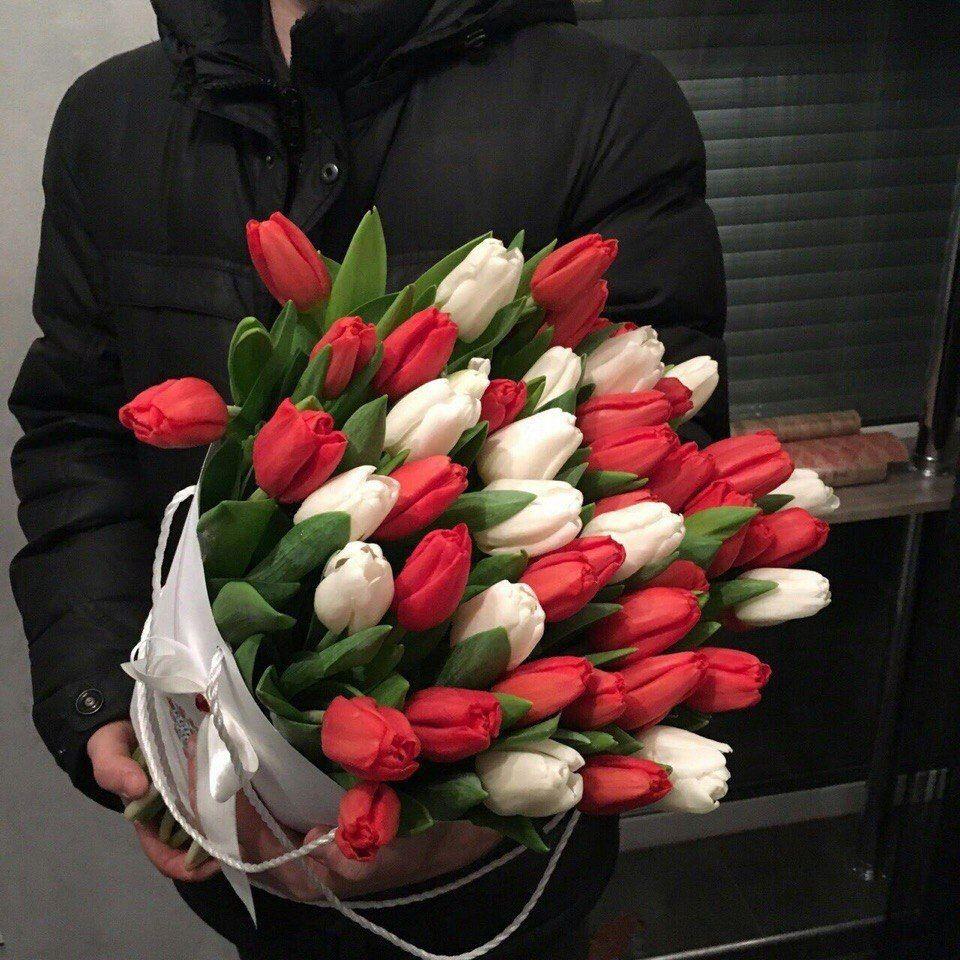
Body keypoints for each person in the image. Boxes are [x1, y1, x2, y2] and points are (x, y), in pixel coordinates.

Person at [9, 0, 727, 957]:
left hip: (499, 875)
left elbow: (666, 480)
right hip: (239, 847)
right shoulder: (111, 118)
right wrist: (104, 694)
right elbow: (77, 435)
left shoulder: (604, 106)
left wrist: (464, 801)